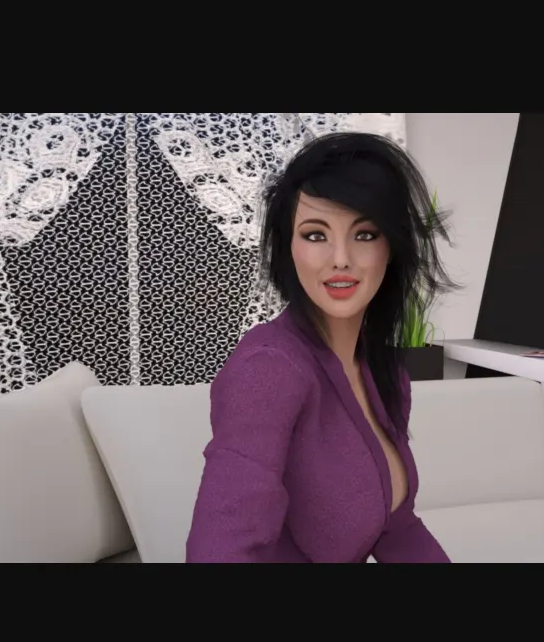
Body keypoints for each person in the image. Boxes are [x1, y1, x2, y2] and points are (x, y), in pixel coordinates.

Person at [187, 132, 459, 562]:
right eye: (315, 235)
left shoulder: (383, 371)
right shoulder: (268, 369)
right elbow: (220, 549)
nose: (340, 258)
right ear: (288, 249)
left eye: (365, 234)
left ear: (391, 247)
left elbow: (397, 528)